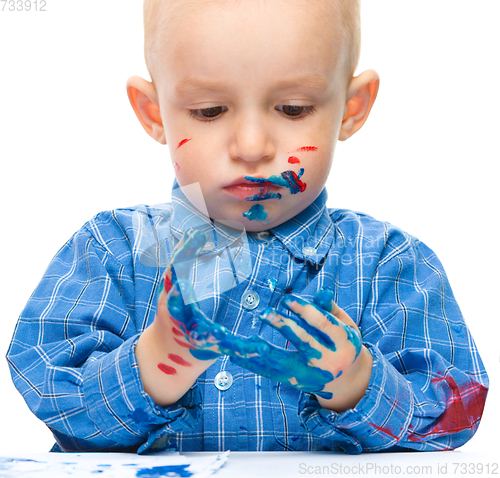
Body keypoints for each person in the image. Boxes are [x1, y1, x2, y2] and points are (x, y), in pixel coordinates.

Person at [6, 0, 488, 454]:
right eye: (210, 111)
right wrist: (153, 364)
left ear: (352, 107)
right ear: (154, 113)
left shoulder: (390, 263)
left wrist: (358, 383)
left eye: (294, 108)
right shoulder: (113, 250)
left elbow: (456, 415)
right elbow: (44, 380)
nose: (253, 146)